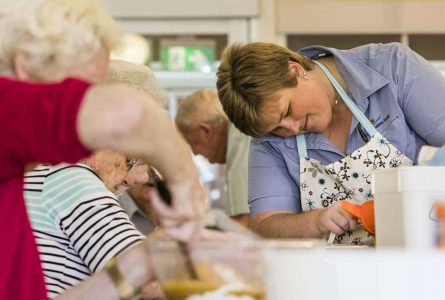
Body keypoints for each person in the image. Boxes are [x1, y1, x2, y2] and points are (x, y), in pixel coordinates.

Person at [0, 1, 206, 299]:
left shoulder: (16, 175)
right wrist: (186, 189)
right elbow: (130, 114)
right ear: (26, 62)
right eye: (83, 91)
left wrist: (138, 264)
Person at [216, 42, 445, 244]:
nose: (292, 129)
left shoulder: (393, 68)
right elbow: (266, 224)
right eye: (276, 128)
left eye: (287, 111)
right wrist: (316, 221)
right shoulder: (269, 143)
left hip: (427, 256)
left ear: (295, 70)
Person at [175, 90, 251, 226]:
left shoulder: (238, 136)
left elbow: (243, 222)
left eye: (193, 143)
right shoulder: (241, 123)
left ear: (206, 130)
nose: (195, 153)